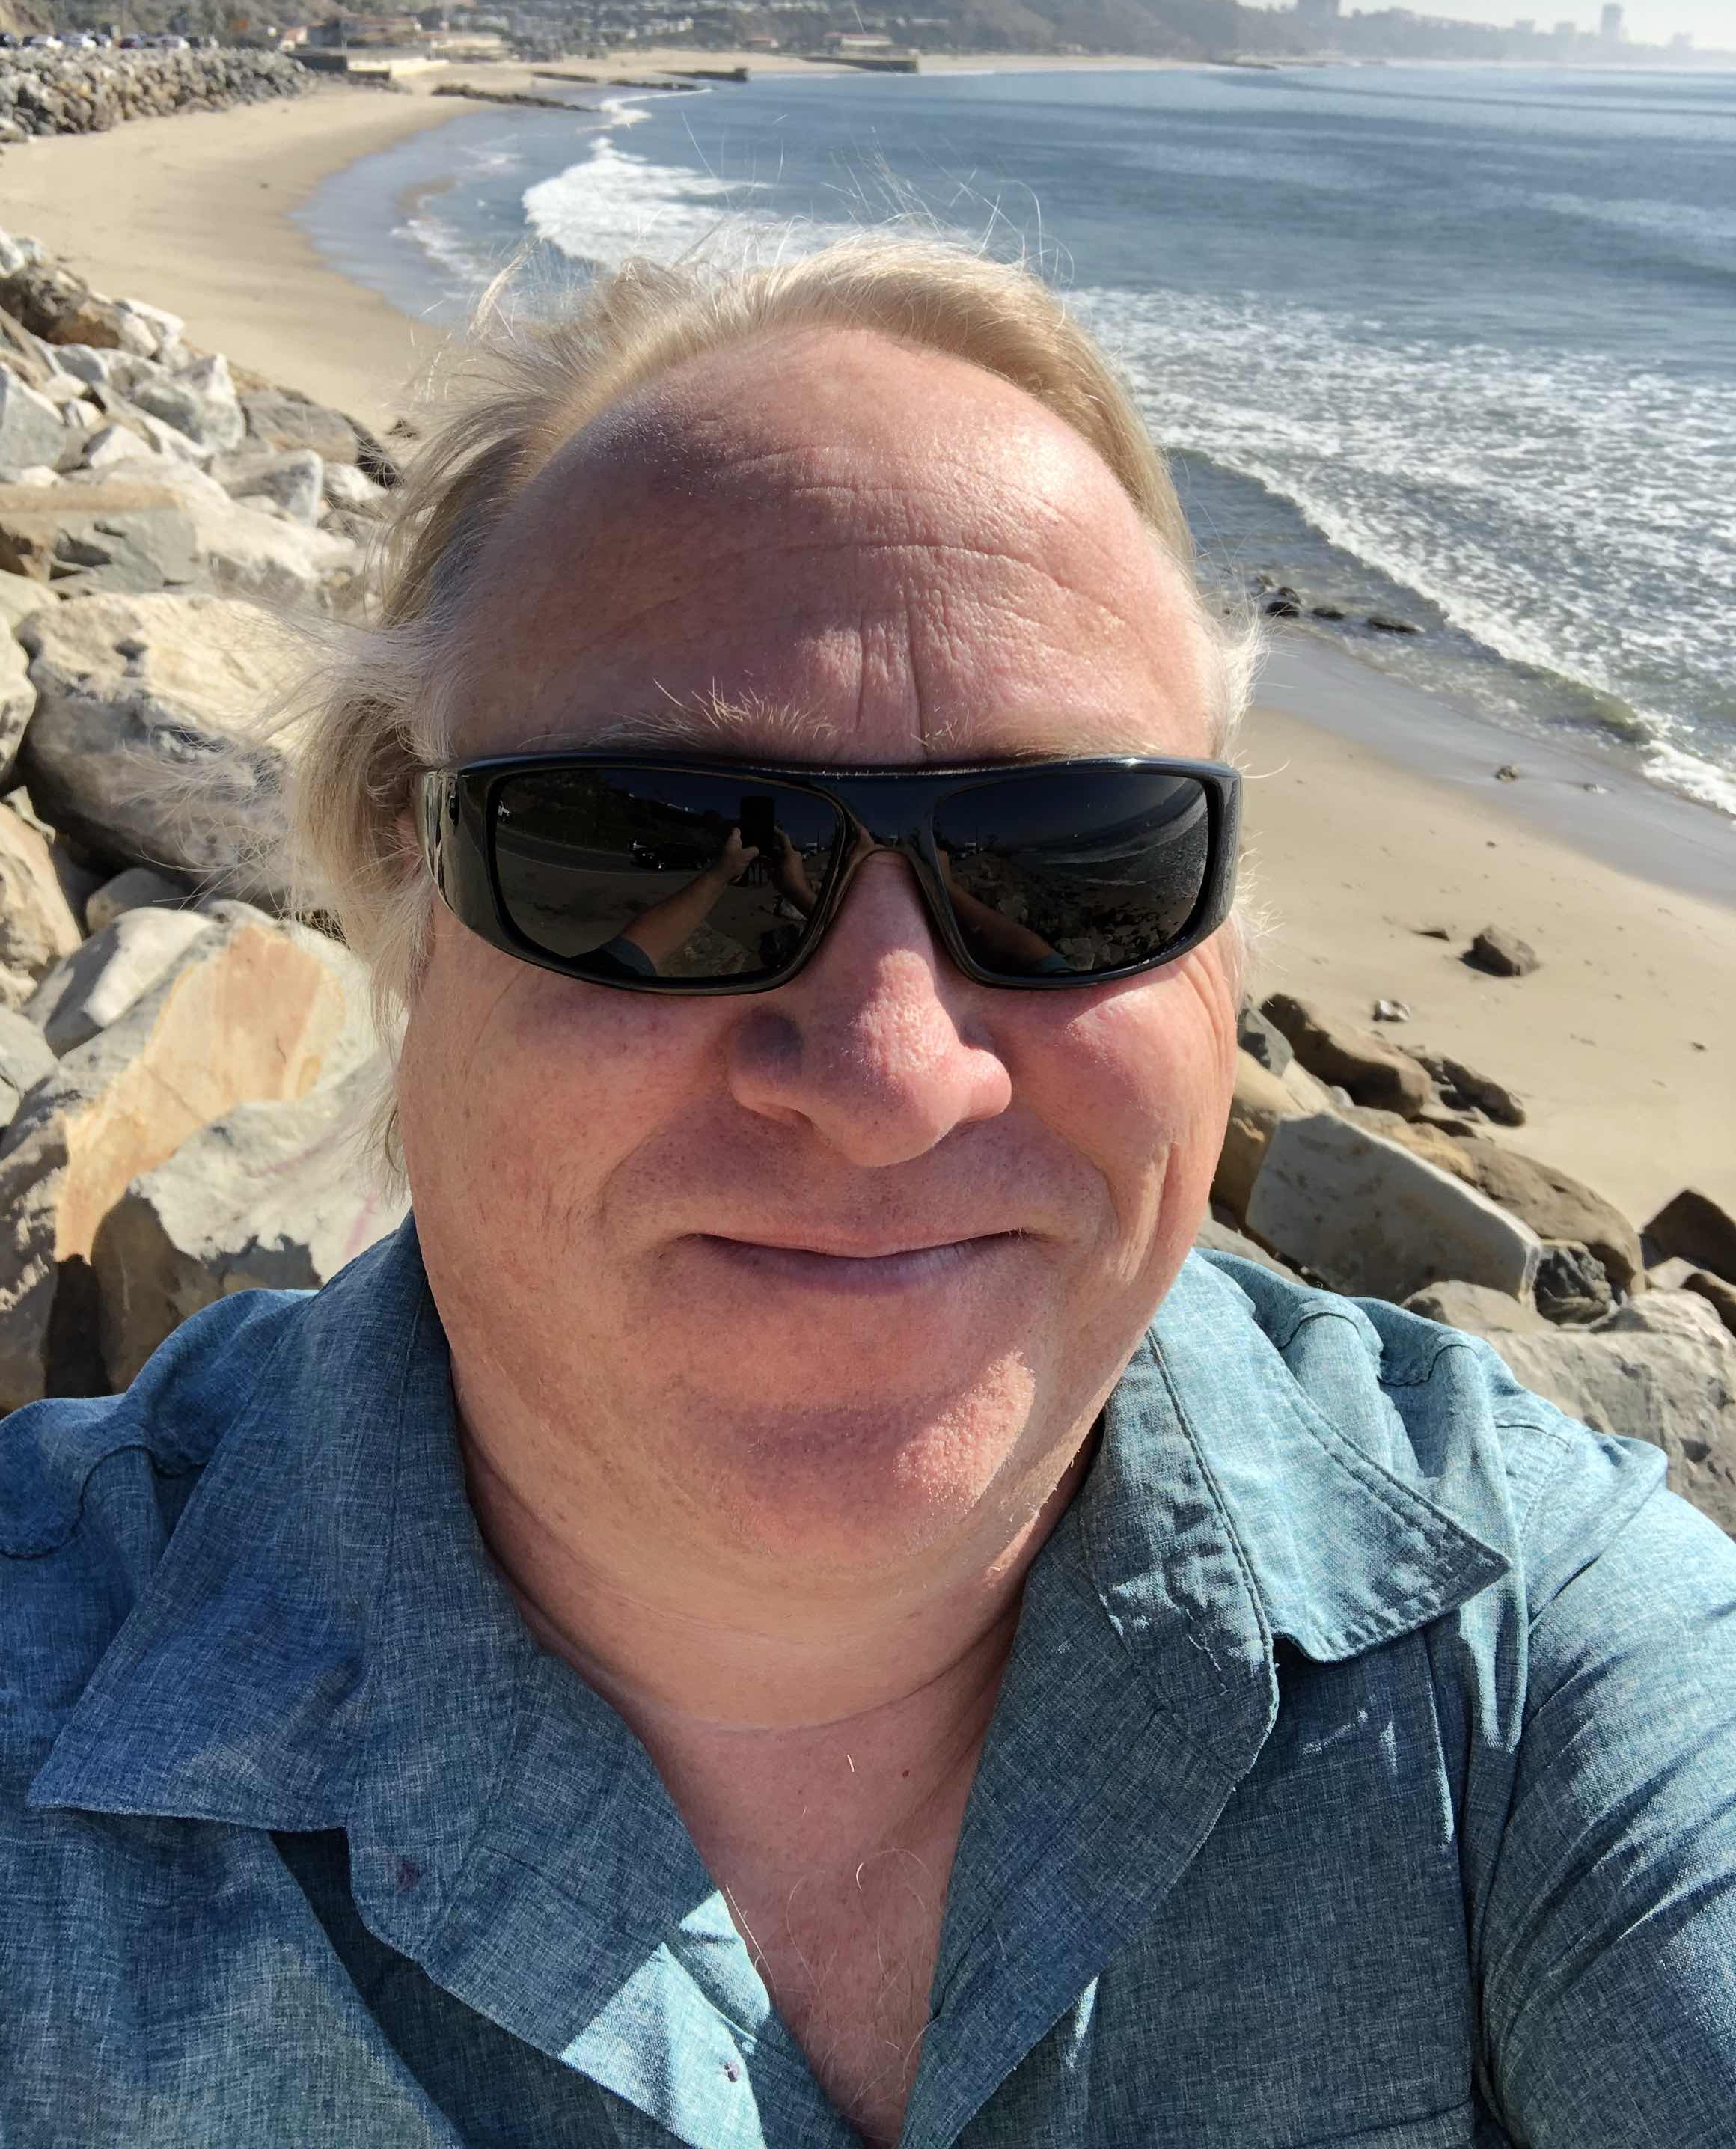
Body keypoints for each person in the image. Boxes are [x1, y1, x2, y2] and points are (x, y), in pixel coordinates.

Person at [3, 238, 1732, 2149]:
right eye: (653, 850)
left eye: (1071, 860)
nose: (893, 1078)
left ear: (1217, 947)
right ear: (406, 899)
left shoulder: (1528, 1650)